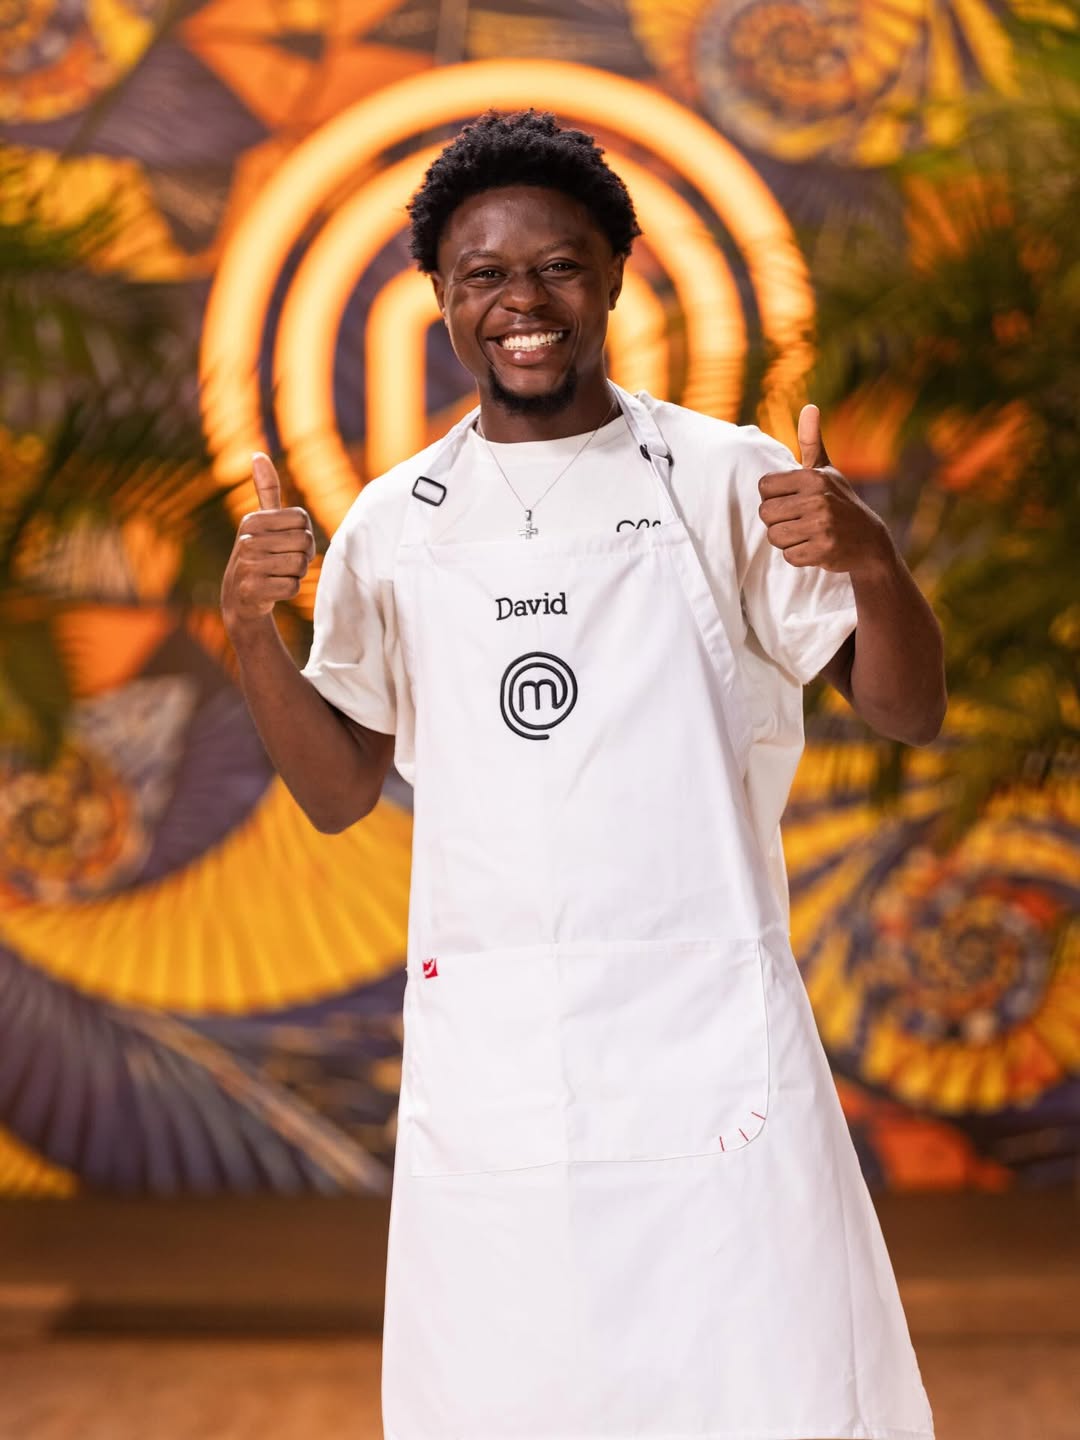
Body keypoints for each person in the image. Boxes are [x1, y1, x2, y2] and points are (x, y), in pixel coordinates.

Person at [221, 110, 944, 1440]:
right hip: (498, 1039)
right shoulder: (394, 522)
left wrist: (873, 561)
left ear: (616, 273)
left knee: (766, 1384)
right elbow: (335, 793)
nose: (523, 303)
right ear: (440, 297)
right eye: (484, 275)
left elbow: (907, 711)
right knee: (513, 1390)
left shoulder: (727, 478)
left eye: (557, 266)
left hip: (706, 1027)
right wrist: (247, 631)